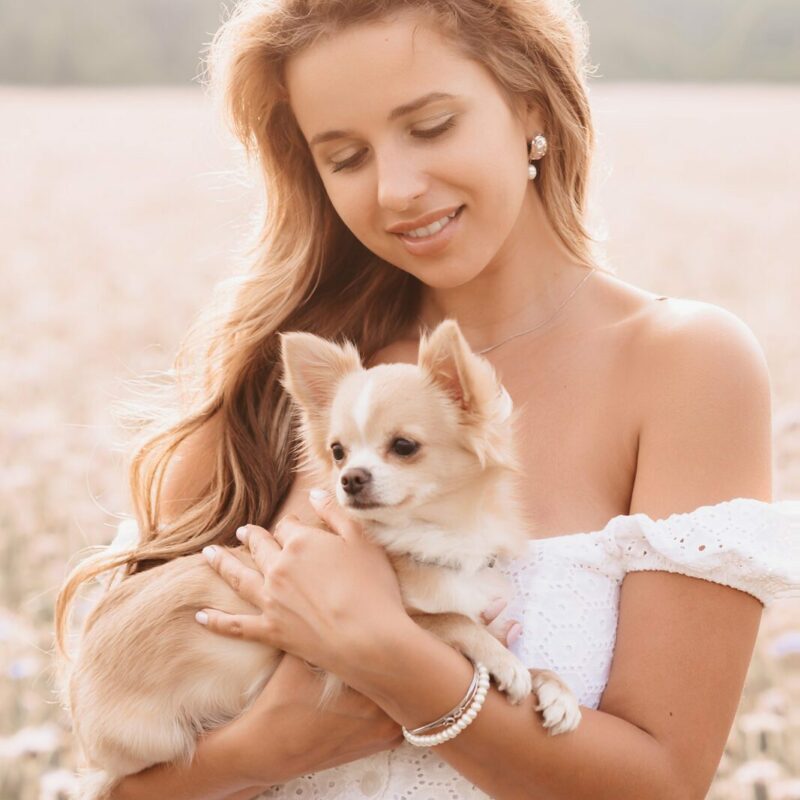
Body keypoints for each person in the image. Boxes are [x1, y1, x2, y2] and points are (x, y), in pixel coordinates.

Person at [56, 1, 798, 798]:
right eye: (345, 157)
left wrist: (398, 665)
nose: (397, 190)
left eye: (433, 126)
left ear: (531, 105)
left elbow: (662, 784)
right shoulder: (277, 399)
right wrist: (272, 746)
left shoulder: (684, 365)